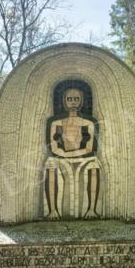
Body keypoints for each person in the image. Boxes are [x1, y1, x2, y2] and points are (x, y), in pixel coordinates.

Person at [45, 88, 101, 219]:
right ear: (64, 101)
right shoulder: (55, 122)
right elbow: (53, 148)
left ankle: (92, 209)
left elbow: (90, 148)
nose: (73, 102)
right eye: (69, 99)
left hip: (83, 158)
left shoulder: (89, 122)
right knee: (50, 164)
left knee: (94, 163)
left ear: (81, 101)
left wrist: (71, 155)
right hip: (61, 157)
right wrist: (65, 155)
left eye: (76, 99)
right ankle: (52, 210)